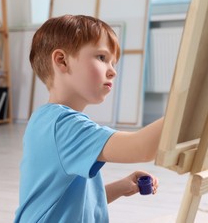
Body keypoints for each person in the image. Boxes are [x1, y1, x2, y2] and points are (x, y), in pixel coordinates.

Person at [14, 14, 165, 222]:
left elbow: (73, 201)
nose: (112, 71)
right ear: (62, 60)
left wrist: (122, 186)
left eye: (114, 63)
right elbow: (143, 147)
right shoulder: (64, 126)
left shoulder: (48, 120)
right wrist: (188, 104)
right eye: (102, 58)